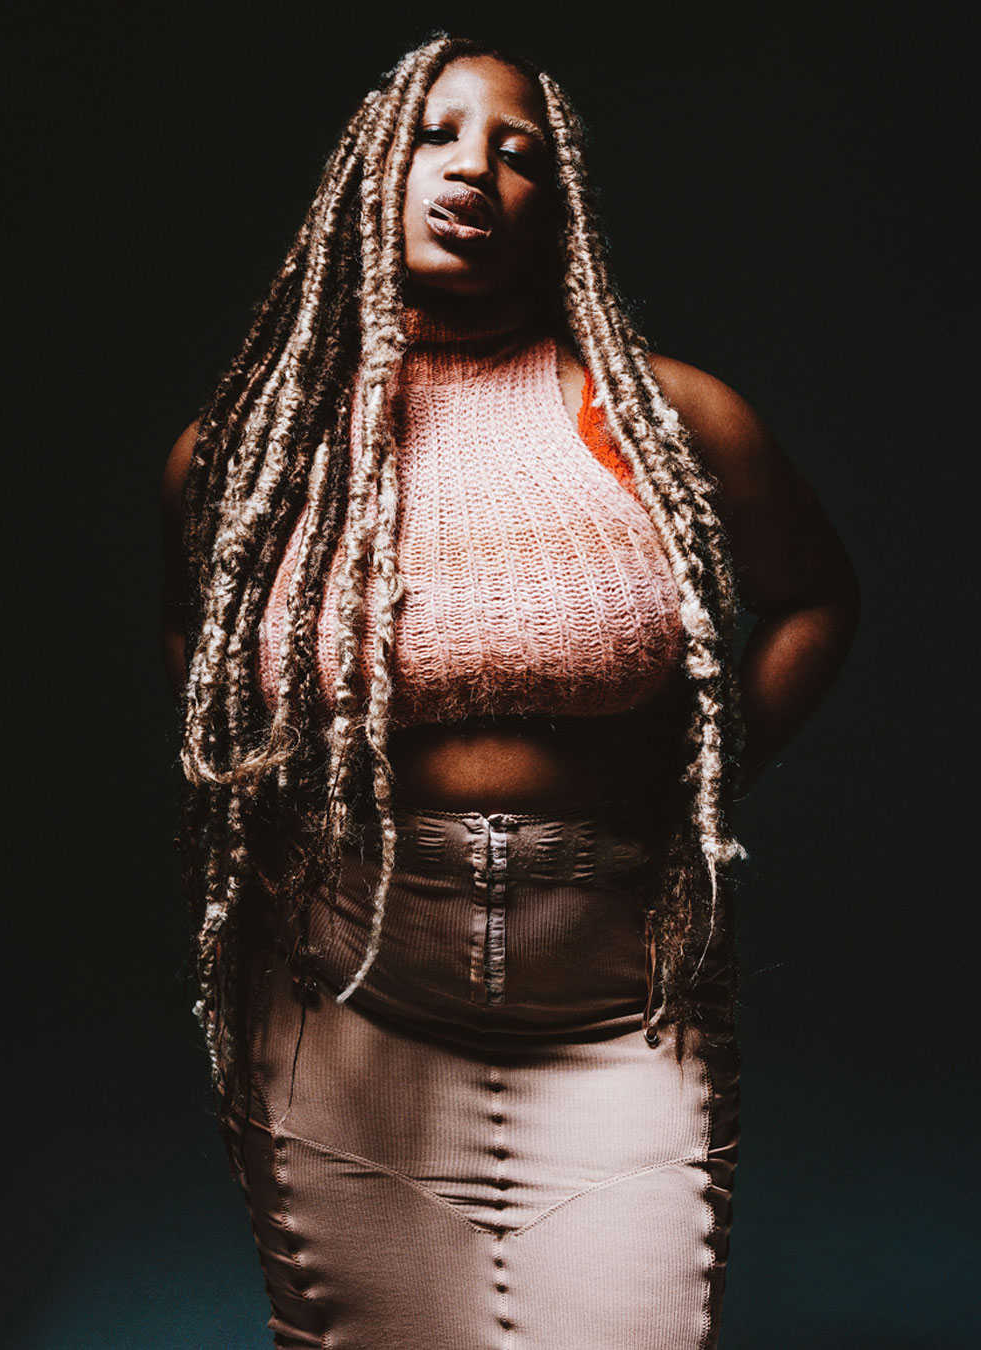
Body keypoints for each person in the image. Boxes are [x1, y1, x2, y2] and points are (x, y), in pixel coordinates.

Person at [161, 33, 859, 1350]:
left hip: (615, 1001)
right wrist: (276, 827)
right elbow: (202, 653)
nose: (472, 168)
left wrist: (703, 781)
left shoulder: (672, 418)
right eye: (434, 135)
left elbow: (818, 597)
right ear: (366, 173)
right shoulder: (252, 451)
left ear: (562, 207)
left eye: (517, 151)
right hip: (346, 1002)